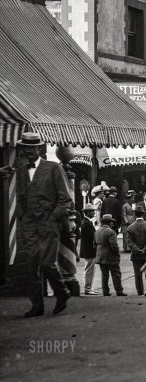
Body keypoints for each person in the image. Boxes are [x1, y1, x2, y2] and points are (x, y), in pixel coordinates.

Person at [13, 133, 73, 317]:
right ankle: (37, 305)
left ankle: (62, 292)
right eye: (25, 148)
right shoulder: (21, 171)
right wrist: (22, 217)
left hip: (48, 222)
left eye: (32, 148)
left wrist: (53, 217)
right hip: (29, 224)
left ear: (39, 148)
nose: (28, 152)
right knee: (31, 265)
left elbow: (65, 198)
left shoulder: (53, 168)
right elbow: (20, 197)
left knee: (47, 263)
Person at [94, 214, 127, 296]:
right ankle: (119, 291)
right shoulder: (111, 232)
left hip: (100, 256)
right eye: (111, 222)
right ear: (109, 223)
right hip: (110, 256)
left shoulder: (97, 231)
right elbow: (114, 246)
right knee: (116, 274)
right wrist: (117, 254)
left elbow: (94, 244)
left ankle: (105, 291)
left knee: (104, 275)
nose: (112, 223)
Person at [127, 205, 146, 296]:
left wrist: (137, 250)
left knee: (138, 275)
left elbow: (129, 242)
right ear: (143, 214)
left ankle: (140, 292)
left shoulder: (130, 227)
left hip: (135, 255)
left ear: (135, 214)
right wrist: (144, 249)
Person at [79, 203, 99, 296]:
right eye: (92, 211)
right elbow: (92, 236)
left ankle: (89, 287)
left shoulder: (86, 222)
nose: (94, 213)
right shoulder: (86, 223)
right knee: (89, 269)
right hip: (89, 250)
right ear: (87, 212)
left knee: (90, 269)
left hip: (88, 249)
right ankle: (88, 288)